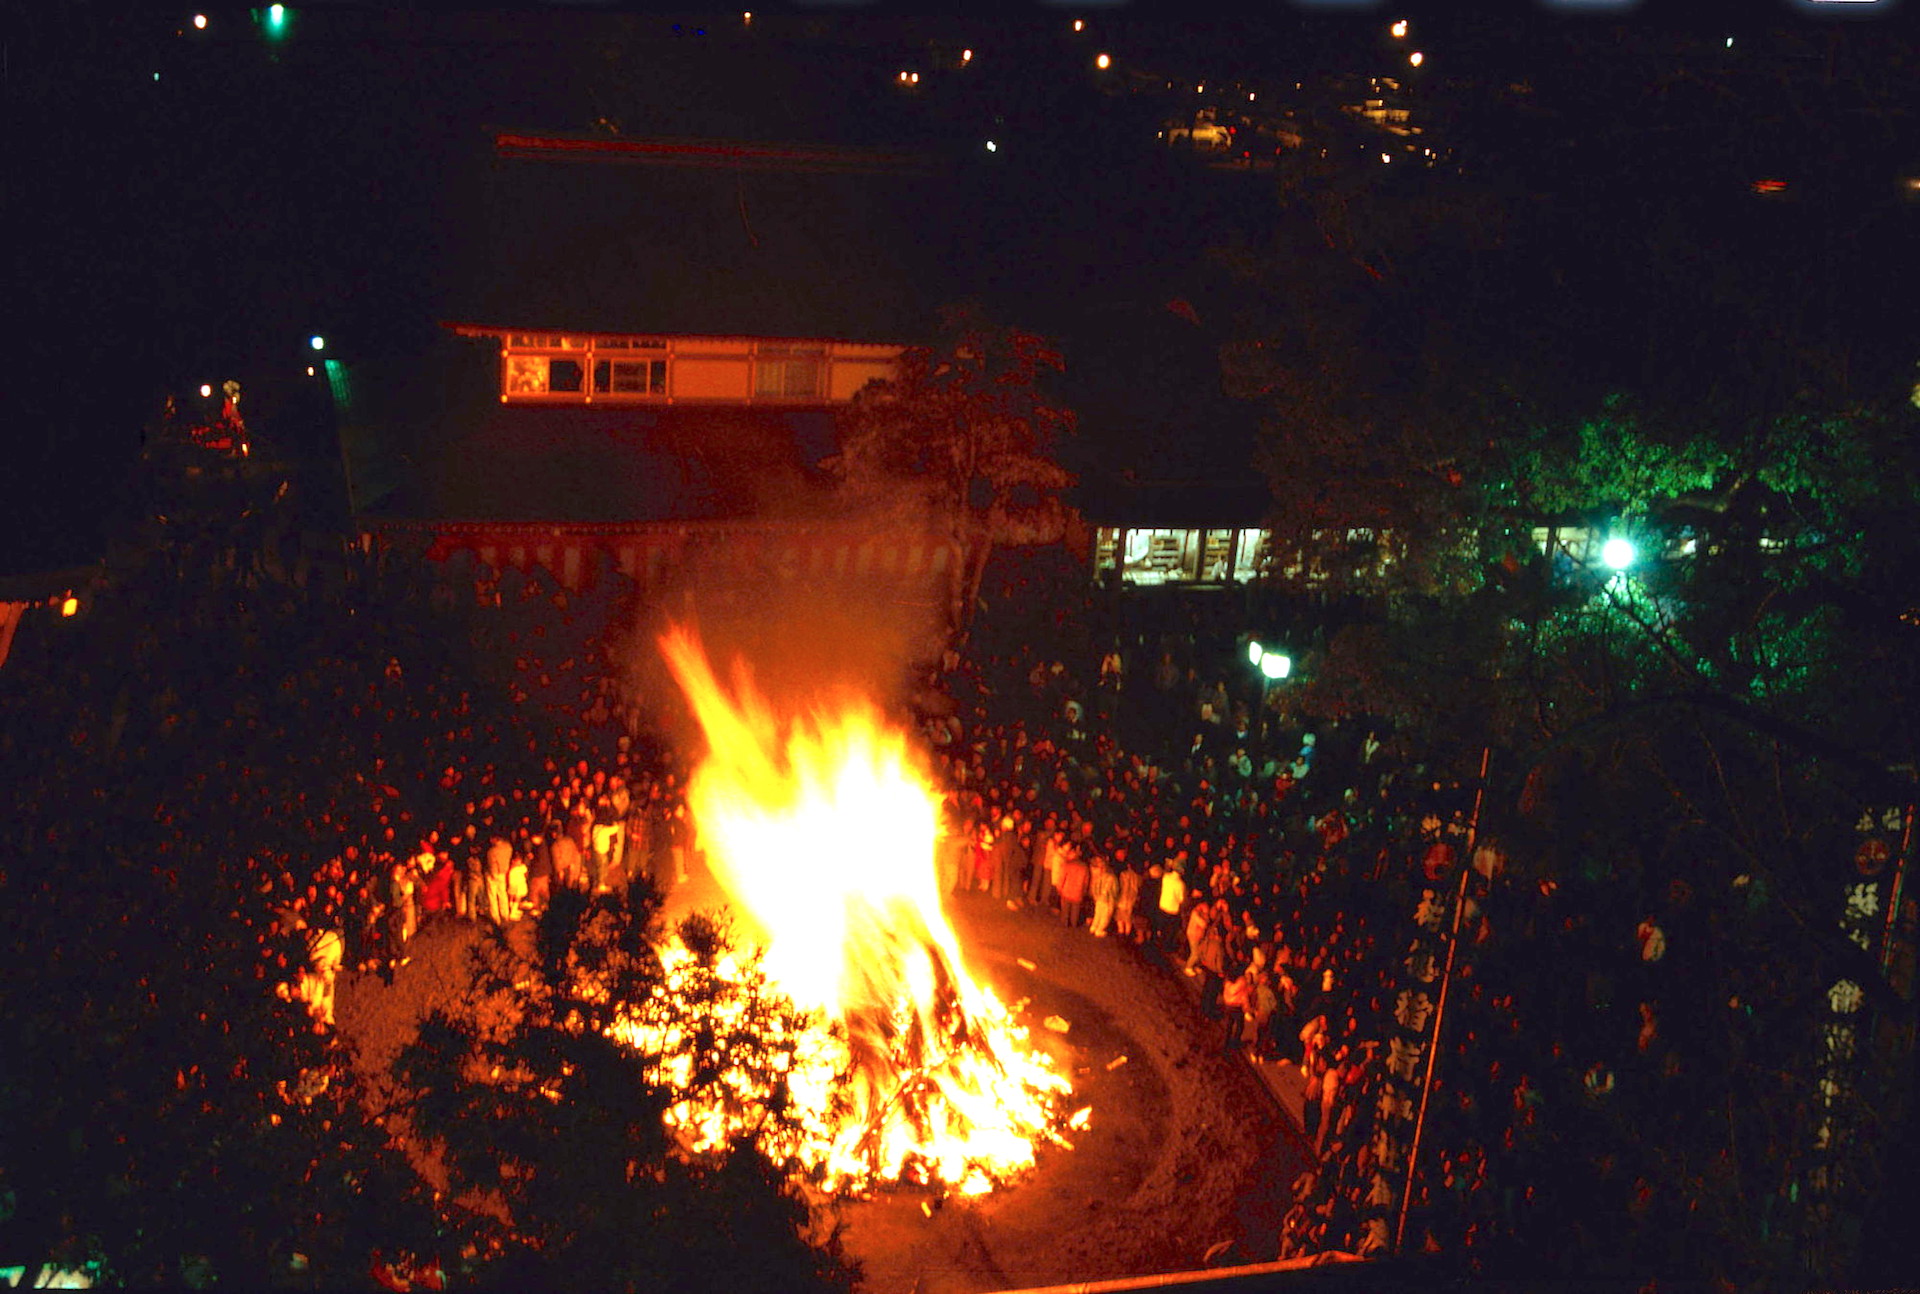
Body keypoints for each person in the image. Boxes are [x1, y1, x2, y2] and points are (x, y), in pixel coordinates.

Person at [1089, 855, 1119, 937]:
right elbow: (1115, 890)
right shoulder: (1112, 878)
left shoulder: (1098, 878)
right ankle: (1100, 930)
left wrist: (1096, 897)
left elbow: (1094, 888)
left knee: (1097, 914)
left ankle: (1093, 927)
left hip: (1098, 900)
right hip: (1108, 901)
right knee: (1105, 917)